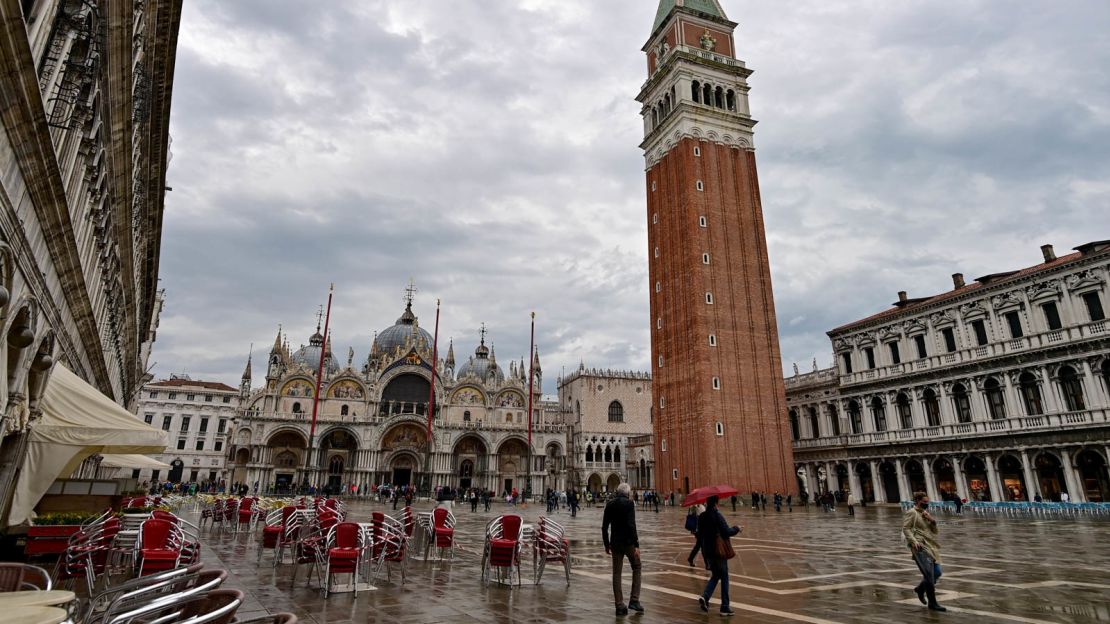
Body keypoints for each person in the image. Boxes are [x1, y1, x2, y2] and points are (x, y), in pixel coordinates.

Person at [602, 483, 643, 616]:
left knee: (616, 574)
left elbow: (604, 527)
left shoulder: (610, 504)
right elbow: (632, 525)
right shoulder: (630, 504)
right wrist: (636, 545)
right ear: (627, 493)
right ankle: (634, 600)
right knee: (637, 567)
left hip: (615, 544)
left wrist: (606, 544)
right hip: (628, 543)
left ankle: (619, 605)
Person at [697, 495, 740, 616]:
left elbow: (699, 534)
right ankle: (725, 607)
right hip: (718, 551)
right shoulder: (717, 515)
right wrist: (737, 528)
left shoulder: (702, 516)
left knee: (716, 575)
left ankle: (705, 597)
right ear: (716, 503)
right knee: (724, 576)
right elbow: (727, 532)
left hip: (707, 552)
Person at [903, 492, 945, 612]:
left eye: (927, 502)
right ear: (917, 500)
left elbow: (934, 531)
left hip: (930, 546)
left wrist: (932, 520)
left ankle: (920, 589)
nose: (927, 504)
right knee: (929, 575)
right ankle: (933, 603)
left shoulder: (925, 513)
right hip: (919, 547)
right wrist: (914, 541)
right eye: (924, 502)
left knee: (937, 572)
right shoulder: (912, 512)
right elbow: (906, 528)